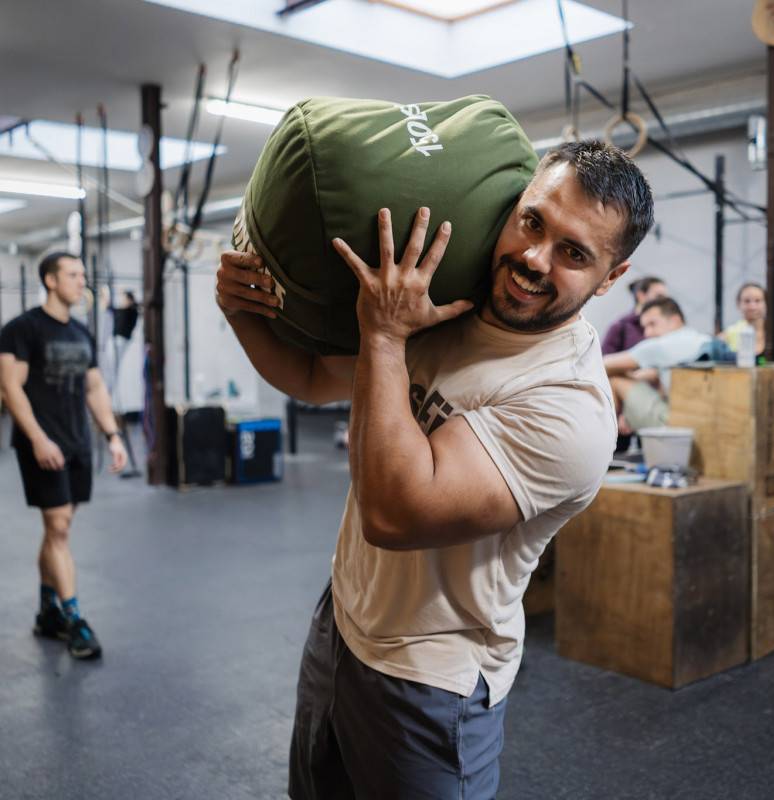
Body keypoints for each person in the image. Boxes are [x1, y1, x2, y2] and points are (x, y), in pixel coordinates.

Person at [215, 140, 654, 797]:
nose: (535, 259)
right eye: (533, 222)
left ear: (611, 277)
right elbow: (309, 377)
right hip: (342, 622)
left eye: (573, 253)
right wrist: (238, 310)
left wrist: (385, 335)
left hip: (429, 678)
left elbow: (394, 513)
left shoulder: (569, 408)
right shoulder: (451, 303)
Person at [0, 251, 127, 660]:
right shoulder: (21, 329)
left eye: (82, 274)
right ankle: (74, 620)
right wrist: (38, 439)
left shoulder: (81, 332)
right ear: (50, 280)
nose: (81, 281)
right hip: (42, 445)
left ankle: (46, 611)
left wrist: (112, 435)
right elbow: (10, 388)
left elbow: (95, 388)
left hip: (76, 444)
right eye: (73, 274)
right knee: (58, 527)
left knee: (60, 527)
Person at [604, 296, 710, 433]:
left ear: (675, 320)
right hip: (708, 421)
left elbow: (603, 364)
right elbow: (653, 376)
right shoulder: (702, 339)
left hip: (678, 424)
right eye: (644, 328)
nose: (647, 333)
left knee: (615, 379)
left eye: (652, 324)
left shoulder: (661, 345)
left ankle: (606, 435)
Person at [601, 275, 668, 354]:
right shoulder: (620, 327)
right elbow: (604, 359)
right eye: (659, 296)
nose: (665, 302)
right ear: (641, 296)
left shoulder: (664, 329)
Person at [720, 282, 766, 357]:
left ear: (766, 303)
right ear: (738, 304)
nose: (752, 307)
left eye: (757, 301)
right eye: (747, 301)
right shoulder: (729, 333)